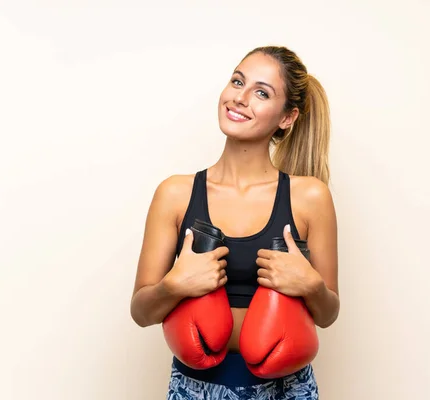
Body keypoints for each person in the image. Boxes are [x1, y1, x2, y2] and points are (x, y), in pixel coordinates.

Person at [130, 45, 340, 399]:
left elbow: (328, 313)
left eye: (261, 92)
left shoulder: (310, 197)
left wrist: (312, 285)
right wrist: (173, 286)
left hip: (285, 390)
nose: (240, 98)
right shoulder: (175, 193)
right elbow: (141, 311)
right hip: (195, 389)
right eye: (237, 81)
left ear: (286, 118)